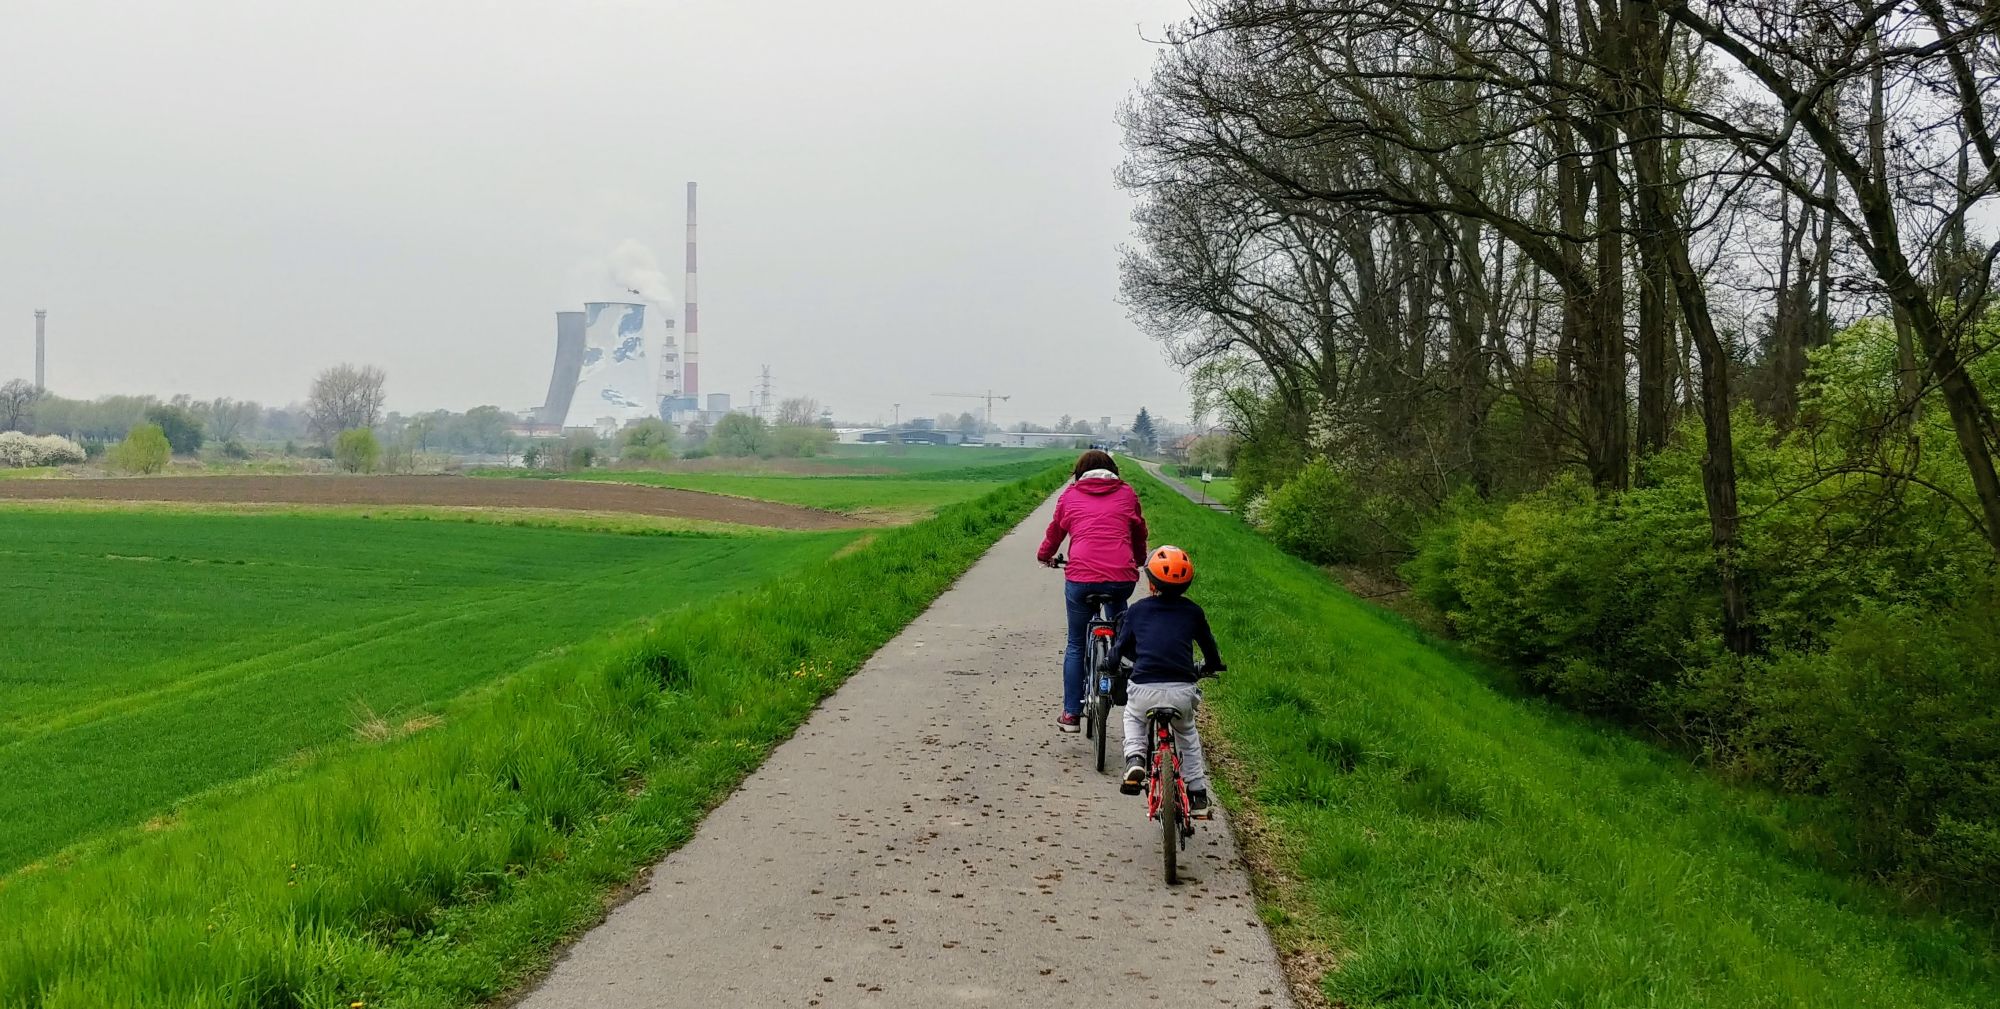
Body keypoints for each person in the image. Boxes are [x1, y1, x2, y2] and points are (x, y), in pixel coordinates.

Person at [1106, 545, 1224, 818]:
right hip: (1181, 691)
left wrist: (1109, 663)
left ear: (1150, 583)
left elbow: (1121, 647)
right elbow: (1209, 648)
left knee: (1134, 719)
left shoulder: (1137, 611)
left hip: (1144, 688)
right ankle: (1197, 793)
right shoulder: (1194, 612)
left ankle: (1135, 759)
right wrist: (1212, 665)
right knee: (1187, 735)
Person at [1036, 449, 1148, 732]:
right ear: (1113, 470)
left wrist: (1044, 555)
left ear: (1078, 473)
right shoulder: (1127, 494)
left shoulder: (1070, 496)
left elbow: (1054, 533)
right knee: (1122, 626)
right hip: (1121, 577)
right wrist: (1137, 559)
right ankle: (1130, 690)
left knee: (1076, 642)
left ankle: (1072, 714)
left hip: (1081, 577)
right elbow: (1139, 532)